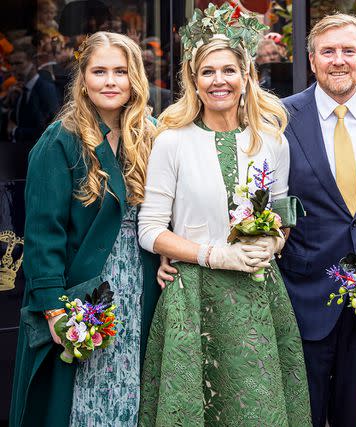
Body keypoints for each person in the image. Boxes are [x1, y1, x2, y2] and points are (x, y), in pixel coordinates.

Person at [137, 5, 311, 426]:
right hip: (193, 295)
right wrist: (215, 255)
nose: (219, 81)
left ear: (246, 75)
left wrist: (272, 241)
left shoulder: (270, 139)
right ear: (194, 82)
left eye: (229, 70)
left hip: (257, 294)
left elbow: (281, 210)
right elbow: (150, 229)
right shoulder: (172, 141)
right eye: (208, 72)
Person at [9, 31, 160, 427]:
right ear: (83, 78)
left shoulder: (153, 134)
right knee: (84, 401)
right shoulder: (59, 141)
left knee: (137, 394)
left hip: (142, 287)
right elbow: (43, 235)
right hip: (84, 294)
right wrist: (55, 308)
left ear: (135, 80)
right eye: (99, 71)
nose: (110, 81)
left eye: (120, 72)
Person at [278, 13, 356, 427]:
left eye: (348, 51)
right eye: (328, 51)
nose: (339, 60)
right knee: (305, 414)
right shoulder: (279, 117)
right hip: (305, 293)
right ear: (311, 59)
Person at [7, 43, 60, 150]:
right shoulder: (20, 90)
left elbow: (50, 130)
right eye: (11, 64)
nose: (14, 68)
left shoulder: (45, 89)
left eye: (18, 63)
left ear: (33, 63)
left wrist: (16, 132)